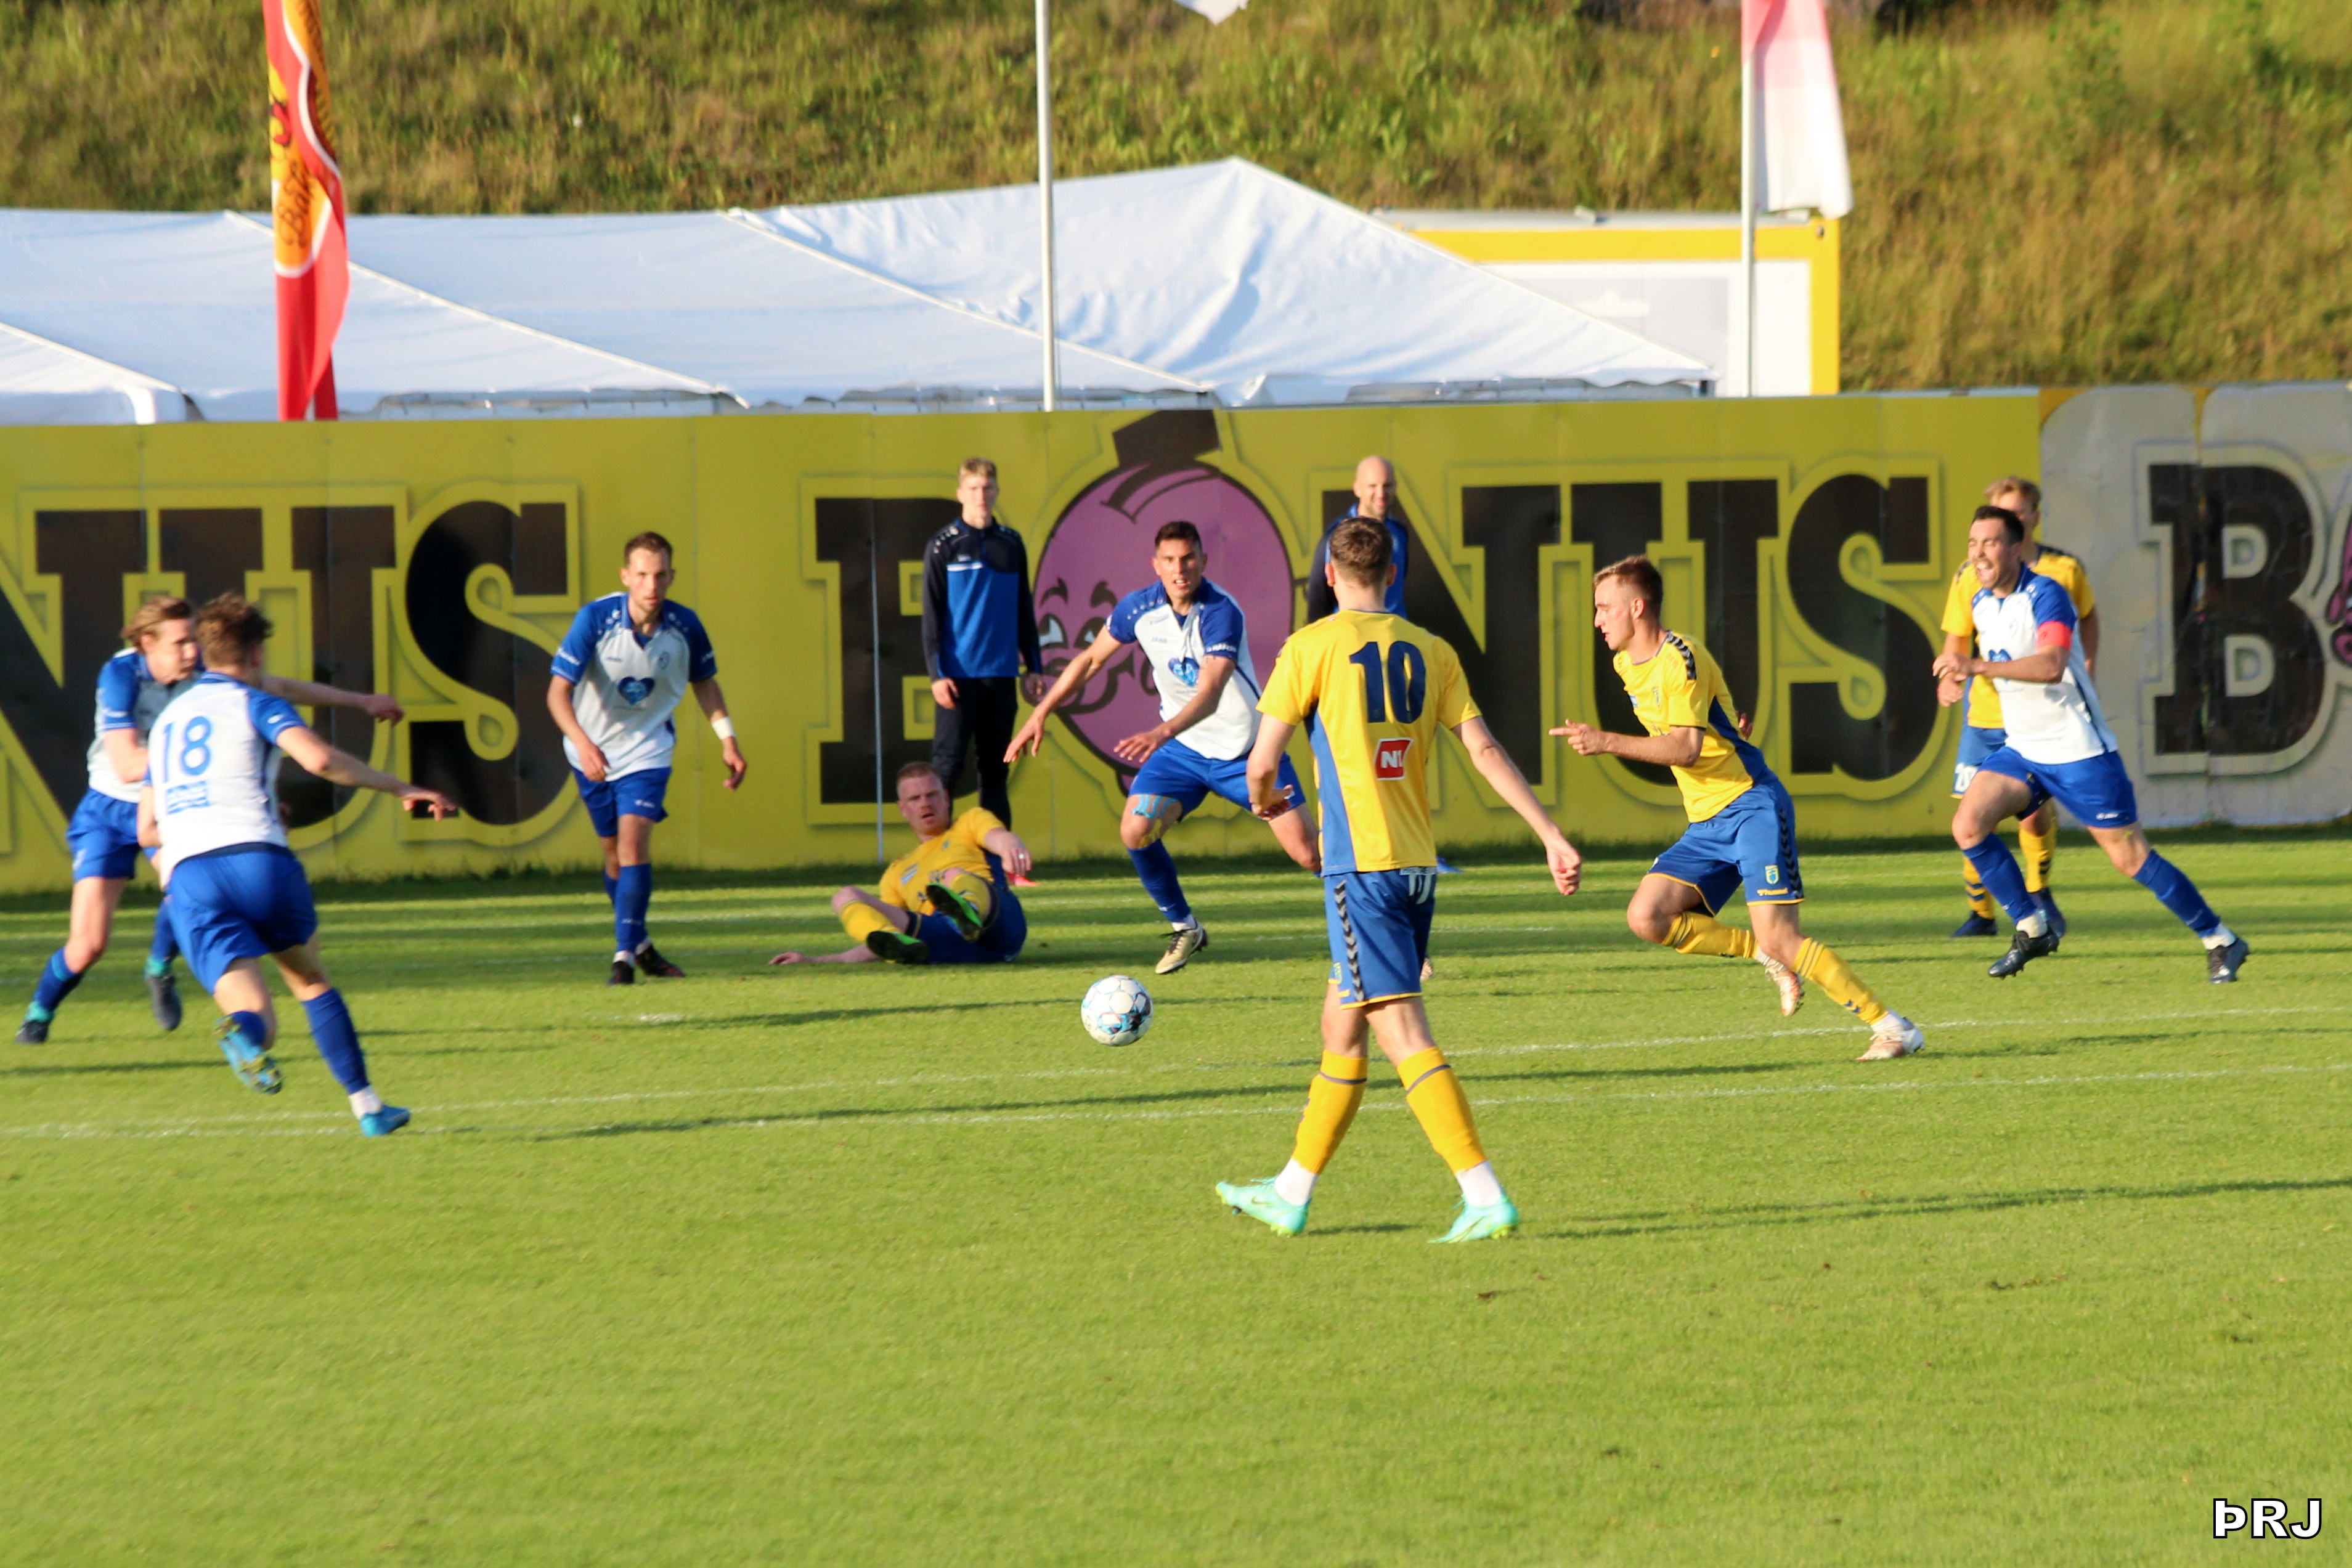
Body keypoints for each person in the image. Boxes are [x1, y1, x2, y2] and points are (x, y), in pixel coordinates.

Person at [1215, 519, 1582, 1243]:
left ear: (1329, 574)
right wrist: (1549, 833)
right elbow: (1484, 749)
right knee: (1340, 1025)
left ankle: (1483, 1193)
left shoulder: (1310, 646)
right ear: (1393, 573)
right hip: (1416, 867)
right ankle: (1290, 1192)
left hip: (1362, 869)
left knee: (1403, 1034)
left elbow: (1261, 763)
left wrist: (1264, 801)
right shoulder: (1432, 649)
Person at [1555, 556, 1926, 1062]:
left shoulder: (1680, 657)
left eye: (1604, 608)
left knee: (1782, 935)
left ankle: (1892, 1026)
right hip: (1706, 820)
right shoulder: (1626, 664)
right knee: (1647, 916)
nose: (1597, 620)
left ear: (1636, 607)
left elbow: (1685, 747)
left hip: (1750, 806)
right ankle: (1764, 954)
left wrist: (1605, 741)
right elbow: (1706, 719)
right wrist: (1730, 728)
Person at [16, 593, 399, 1046]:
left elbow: (280, 687)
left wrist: (361, 700)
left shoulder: (202, 673)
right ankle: (39, 1014)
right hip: (109, 808)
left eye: (193, 640)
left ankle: (159, 966)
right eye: (179, 642)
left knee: (191, 882)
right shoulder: (121, 675)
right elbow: (126, 765)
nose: (191, 650)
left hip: (171, 806)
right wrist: (219, 772)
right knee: (88, 945)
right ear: (147, 643)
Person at [137, 595, 455, 1135]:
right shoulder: (255, 702)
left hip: (189, 874)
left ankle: (242, 1034)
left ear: (206, 652)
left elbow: (147, 828)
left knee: (256, 1014)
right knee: (308, 981)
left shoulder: (166, 723)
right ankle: (368, 1108)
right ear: (257, 652)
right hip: (257, 860)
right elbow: (319, 759)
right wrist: (401, 787)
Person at [1935, 507, 2249, 982]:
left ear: (2016, 549)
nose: (1978, 553)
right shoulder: (1979, 600)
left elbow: (2051, 665)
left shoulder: (2046, 594)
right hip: (2023, 749)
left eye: (1990, 543)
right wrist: (1952, 672)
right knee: (1968, 825)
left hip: (2077, 750)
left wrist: (1976, 666)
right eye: (1972, 543)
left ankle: (2220, 939)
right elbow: (1965, 652)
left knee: (2129, 857)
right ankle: (2032, 926)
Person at [1005, 520, 1319, 975]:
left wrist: (1160, 733)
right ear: (1155, 565)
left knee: (1310, 855)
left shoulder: (1221, 611)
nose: (1179, 569)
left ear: (1203, 561)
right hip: (1184, 754)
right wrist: (1041, 712)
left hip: (1245, 753)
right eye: (1169, 560)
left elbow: (1210, 693)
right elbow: (1090, 659)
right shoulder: (1139, 608)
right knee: (1136, 829)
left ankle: (1391, 932)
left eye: (1188, 558)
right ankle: (1185, 927)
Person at [547, 531, 746, 987]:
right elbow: (557, 694)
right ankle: (643, 948)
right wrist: (583, 743)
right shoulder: (595, 619)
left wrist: (728, 740)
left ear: (671, 576)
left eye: (659, 575)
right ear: (625, 576)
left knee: (633, 846)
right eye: (641, 575)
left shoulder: (685, 626)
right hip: (591, 751)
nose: (651, 585)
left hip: (647, 750)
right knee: (613, 857)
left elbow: (704, 682)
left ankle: (622, 959)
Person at [1941, 476, 2096, 939]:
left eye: (2015, 512)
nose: (1986, 544)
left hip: (2033, 717)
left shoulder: (2061, 572)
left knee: (2032, 814)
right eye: (1997, 513)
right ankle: (1981, 914)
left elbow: (2088, 616)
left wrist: (2087, 664)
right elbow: (1957, 634)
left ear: (2032, 518)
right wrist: (1950, 675)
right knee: (1970, 816)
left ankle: (2038, 889)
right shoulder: (1970, 576)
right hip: (1984, 715)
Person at [769, 762, 1032, 967]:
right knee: (845, 895)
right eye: (915, 799)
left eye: (932, 795)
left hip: (998, 926)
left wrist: (1012, 849)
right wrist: (818, 960)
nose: (925, 803)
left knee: (953, 875)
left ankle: (968, 915)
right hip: (945, 939)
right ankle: (911, 943)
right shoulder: (897, 871)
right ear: (903, 809)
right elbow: (891, 929)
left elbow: (999, 837)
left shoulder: (969, 822)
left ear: (946, 798)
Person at [924, 458, 1049, 857]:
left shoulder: (1010, 543)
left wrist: (1034, 668)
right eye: (974, 489)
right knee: (946, 770)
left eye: (988, 488)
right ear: (961, 493)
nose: (981, 496)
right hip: (958, 678)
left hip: (1001, 675)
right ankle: (937, 861)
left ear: (996, 491)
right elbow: (931, 615)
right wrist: (936, 674)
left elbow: (1023, 608)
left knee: (995, 770)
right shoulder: (944, 544)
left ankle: (1001, 864)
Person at [1304, 455, 1410, 621]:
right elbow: (1318, 595)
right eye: (1373, 486)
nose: (1381, 493)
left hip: (1393, 631)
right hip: (1350, 632)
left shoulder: (1399, 533)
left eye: (1387, 485)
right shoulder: (1336, 536)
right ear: (1357, 489)